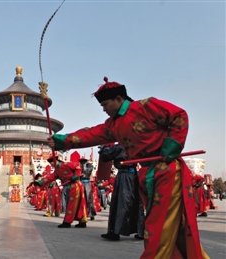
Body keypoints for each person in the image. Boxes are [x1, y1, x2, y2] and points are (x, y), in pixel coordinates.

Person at [47, 77, 208, 258]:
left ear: (118, 99)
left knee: (158, 226)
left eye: (106, 104)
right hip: (147, 173)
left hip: (166, 170)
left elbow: (179, 115)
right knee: (168, 225)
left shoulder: (146, 106)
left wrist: (172, 145)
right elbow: (90, 134)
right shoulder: (113, 125)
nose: (104, 109)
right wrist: (62, 140)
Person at [99, 144, 144, 241]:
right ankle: (140, 232)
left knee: (120, 202)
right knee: (135, 202)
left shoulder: (119, 146)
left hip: (124, 176)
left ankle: (115, 232)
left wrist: (105, 147)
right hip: (135, 176)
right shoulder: (137, 144)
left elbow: (106, 156)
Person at [36, 152, 88, 228]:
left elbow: (78, 167)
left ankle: (67, 222)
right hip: (69, 186)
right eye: (51, 163)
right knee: (76, 203)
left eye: (53, 162)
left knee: (72, 204)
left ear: (57, 160)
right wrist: (40, 182)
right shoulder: (56, 171)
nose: (52, 164)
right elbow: (50, 177)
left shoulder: (66, 164)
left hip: (75, 185)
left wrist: (76, 176)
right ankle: (82, 221)